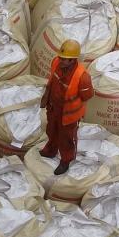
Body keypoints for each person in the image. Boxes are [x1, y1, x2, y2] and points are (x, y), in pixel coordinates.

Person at [40, 39, 93, 175]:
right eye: (61, 57)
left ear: (73, 60)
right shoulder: (55, 62)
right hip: (53, 108)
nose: (61, 60)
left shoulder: (83, 76)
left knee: (67, 138)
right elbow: (51, 81)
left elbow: (87, 96)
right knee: (51, 130)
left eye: (65, 59)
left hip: (68, 115)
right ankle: (51, 150)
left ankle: (66, 160)